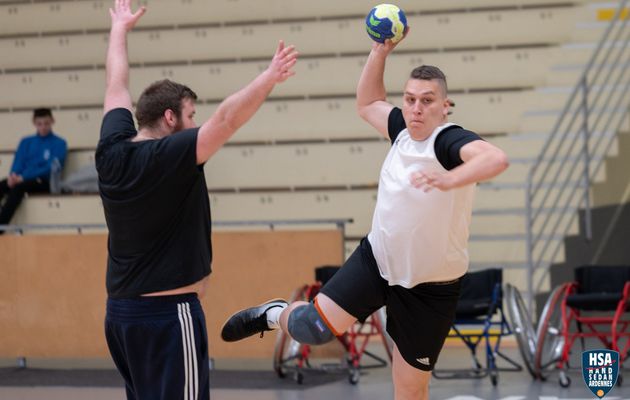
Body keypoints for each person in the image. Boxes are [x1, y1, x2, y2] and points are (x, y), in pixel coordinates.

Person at [221, 29, 509, 400]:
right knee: (311, 328)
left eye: (427, 100)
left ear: (445, 106)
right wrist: (379, 51)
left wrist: (450, 179)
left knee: (410, 390)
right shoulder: (402, 130)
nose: (417, 108)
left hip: (431, 288)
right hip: (378, 261)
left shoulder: (449, 141)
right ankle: (273, 313)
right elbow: (368, 102)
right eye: (409, 100)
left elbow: (495, 159)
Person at [97, 1, 298, 399]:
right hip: (167, 318)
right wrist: (270, 76)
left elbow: (115, 85)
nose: (195, 123)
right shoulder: (169, 156)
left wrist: (119, 30)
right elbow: (226, 120)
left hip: (120, 317)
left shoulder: (110, 151)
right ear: (170, 118)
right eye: (190, 115)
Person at [0, 107, 67, 230]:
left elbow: (51, 168)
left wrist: (22, 178)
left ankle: (1, 226)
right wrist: (13, 176)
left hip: (43, 182)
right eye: (39, 124)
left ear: (52, 121)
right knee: (2, 185)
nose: (43, 127)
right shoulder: (26, 141)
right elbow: (18, 161)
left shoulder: (60, 143)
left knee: (18, 188)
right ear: (34, 123)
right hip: (21, 179)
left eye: (46, 123)